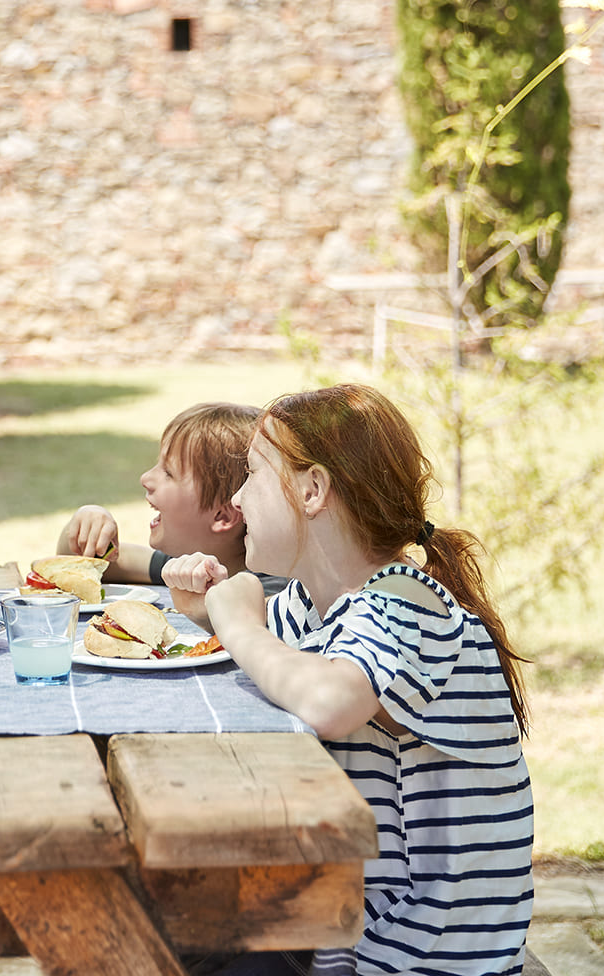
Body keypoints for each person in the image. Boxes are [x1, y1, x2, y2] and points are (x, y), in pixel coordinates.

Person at [165, 384, 534, 976]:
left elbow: (331, 700)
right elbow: (273, 662)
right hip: (350, 939)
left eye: (252, 477)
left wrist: (237, 623)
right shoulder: (315, 610)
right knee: (171, 935)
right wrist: (210, 610)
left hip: (420, 961)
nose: (237, 497)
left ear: (313, 491)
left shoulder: (409, 605)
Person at [57, 401, 286, 596]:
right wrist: (87, 522)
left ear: (222, 516)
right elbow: (76, 565)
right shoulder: (188, 564)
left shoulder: (274, 595)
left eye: (169, 473)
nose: (145, 478)